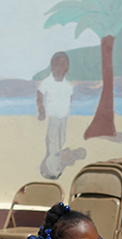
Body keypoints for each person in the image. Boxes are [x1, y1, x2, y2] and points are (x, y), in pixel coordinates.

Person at [37, 51, 73, 180]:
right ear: (52, 67)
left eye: (62, 64)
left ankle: (49, 164)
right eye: (56, 64)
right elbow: (40, 94)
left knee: (61, 139)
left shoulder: (67, 85)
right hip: (53, 117)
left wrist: (67, 110)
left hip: (63, 118)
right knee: (53, 144)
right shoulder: (48, 82)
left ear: (67, 68)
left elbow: (70, 98)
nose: (59, 67)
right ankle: (53, 170)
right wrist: (41, 109)